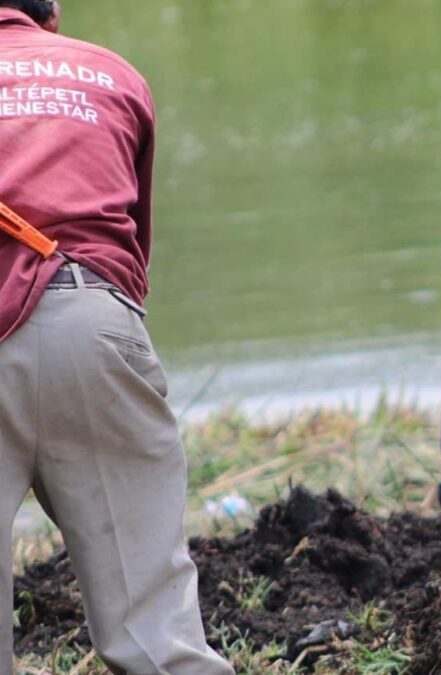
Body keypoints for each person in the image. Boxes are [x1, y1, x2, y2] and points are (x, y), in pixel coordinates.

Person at [0, 2, 234, 672]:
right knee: (159, 632)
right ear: (51, 12)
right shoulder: (113, 73)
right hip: (92, 318)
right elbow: (131, 246)